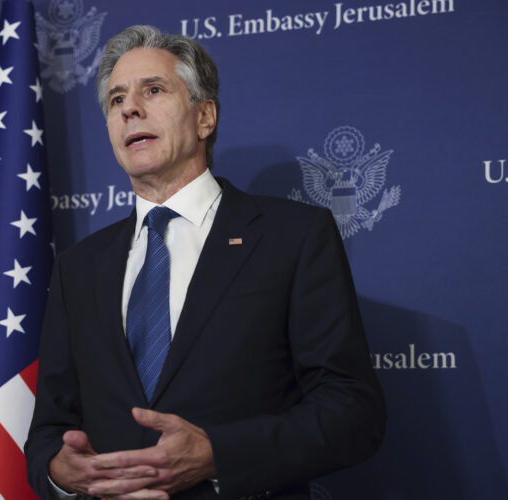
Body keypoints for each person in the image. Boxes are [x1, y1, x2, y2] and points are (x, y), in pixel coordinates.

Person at [25, 25, 386, 500]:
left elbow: (352, 411)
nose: (130, 108)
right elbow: (51, 426)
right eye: (116, 100)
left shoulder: (293, 237)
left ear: (204, 117)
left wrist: (219, 453)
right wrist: (58, 469)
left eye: (153, 90)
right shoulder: (79, 268)